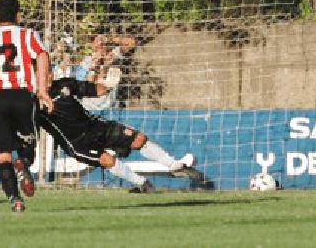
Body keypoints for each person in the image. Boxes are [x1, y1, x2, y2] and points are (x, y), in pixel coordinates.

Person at [37, 75, 212, 194]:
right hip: (78, 143)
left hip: (96, 126)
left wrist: (107, 84)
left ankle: (175, 165)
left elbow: (94, 89)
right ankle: (142, 184)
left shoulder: (63, 85)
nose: (49, 75)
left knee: (138, 139)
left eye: (49, 70)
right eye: (43, 73)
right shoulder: (33, 103)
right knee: (107, 160)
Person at [0, 0, 55, 213]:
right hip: (23, 96)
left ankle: (15, 200)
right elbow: (42, 55)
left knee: (2, 154)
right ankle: (23, 164)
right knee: (27, 148)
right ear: (18, 16)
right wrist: (42, 89)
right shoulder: (28, 35)